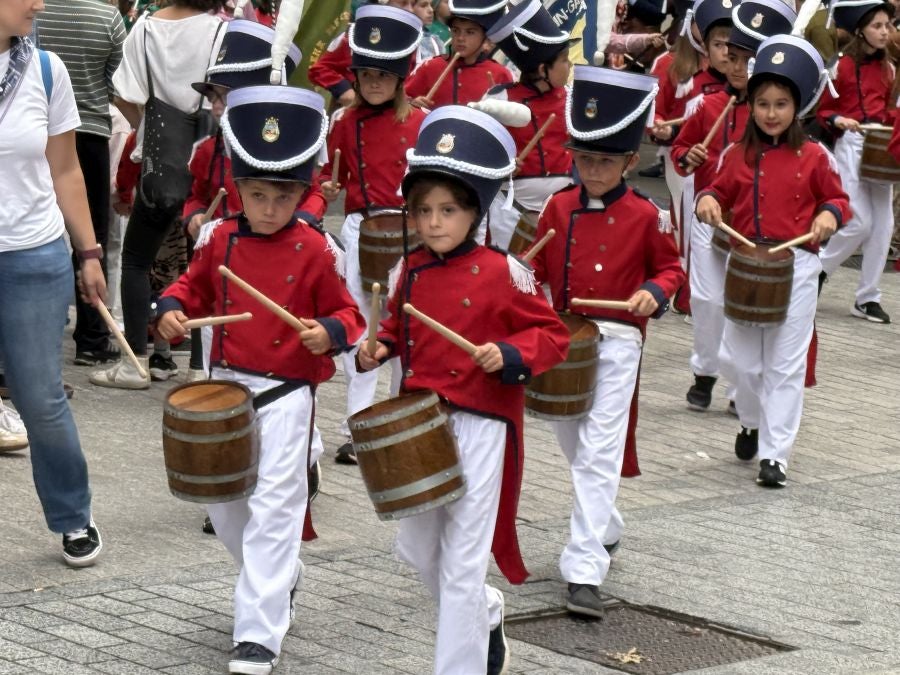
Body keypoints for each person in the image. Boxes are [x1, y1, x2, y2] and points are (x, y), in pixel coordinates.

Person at [156, 85, 366, 675]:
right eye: (257, 195)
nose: (270, 207)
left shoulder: (317, 249)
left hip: (287, 394)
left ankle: (258, 632)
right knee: (224, 507)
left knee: (276, 507)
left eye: (282, 196)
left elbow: (348, 314)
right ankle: (278, 577)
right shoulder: (219, 238)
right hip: (224, 390)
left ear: (301, 193)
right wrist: (169, 308)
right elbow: (188, 288)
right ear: (237, 192)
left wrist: (328, 331)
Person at [358, 104, 569, 675]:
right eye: (423, 210)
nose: (433, 222)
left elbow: (552, 335)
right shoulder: (409, 272)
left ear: (474, 211)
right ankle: (485, 611)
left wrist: (511, 354)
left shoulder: (505, 273)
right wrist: (377, 347)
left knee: (461, 565)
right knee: (418, 550)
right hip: (421, 427)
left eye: (447, 210)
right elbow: (396, 333)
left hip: (482, 425)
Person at [529, 66, 684, 619]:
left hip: (618, 339)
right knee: (573, 441)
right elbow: (534, 270)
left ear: (628, 162)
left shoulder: (648, 214)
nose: (592, 170)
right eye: (584, 158)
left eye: (604, 160)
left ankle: (584, 568)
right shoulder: (556, 207)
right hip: (563, 337)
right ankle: (607, 522)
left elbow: (670, 270)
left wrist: (652, 293)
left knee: (598, 449)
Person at [697, 35, 850, 487]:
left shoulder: (816, 155)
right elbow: (715, 191)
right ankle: (750, 417)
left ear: (797, 106)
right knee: (740, 361)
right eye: (762, 102)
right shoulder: (735, 154)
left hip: (797, 264)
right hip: (743, 262)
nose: (770, 112)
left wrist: (828, 213)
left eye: (781, 103)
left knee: (785, 364)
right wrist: (707, 201)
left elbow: (839, 200)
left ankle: (775, 455)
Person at [0, 0, 107, 567]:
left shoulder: (46, 69)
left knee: (40, 398)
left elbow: (66, 169)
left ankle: (73, 516)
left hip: (33, 256)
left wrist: (88, 251)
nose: (40, 4)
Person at [91, 0, 226, 389]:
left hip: (157, 166)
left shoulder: (146, 28)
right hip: (205, 166)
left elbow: (123, 94)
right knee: (206, 261)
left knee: (136, 260)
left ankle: (136, 362)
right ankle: (200, 366)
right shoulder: (221, 31)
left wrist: (150, 127)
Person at [671, 0, 796, 412]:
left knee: (743, 304)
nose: (739, 67)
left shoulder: (772, 115)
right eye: (734, 57)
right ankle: (704, 370)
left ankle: (737, 388)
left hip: (752, 225)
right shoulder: (708, 105)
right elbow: (682, 147)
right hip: (711, 217)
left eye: (749, 60)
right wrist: (686, 158)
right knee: (707, 301)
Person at [319, 5, 427, 465]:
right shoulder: (343, 124)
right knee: (363, 331)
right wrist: (326, 189)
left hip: (411, 234)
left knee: (406, 332)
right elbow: (327, 177)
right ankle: (358, 426)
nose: (374, 82)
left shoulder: (423, 124)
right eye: (365, 73)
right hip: (361, 230)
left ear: (401, 77)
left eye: (384, 74)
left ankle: (403, 422)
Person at [37, 0, 127, 367]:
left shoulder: (35, 12)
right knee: (91, 236)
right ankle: (92, 336)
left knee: (38, 233)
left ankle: (40, 332)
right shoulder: (108, 18)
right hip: (89, 132)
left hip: (35, 131)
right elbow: (118, 83)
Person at [817, 0, 895, 324]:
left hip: (881, 146)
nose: (885, 32)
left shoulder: (889, 68)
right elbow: (820, 110)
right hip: (850, 144)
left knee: (884, 226)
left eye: (887, 26)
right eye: (877, 26)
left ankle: (867, 297)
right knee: (858, 220)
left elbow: (890, 109)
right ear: (861, 30)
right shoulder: (841, 66)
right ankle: (817, 269)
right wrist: (838, 119)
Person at [482, 0, 576, 249]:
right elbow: (478, 155)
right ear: (543, 68)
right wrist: (501, 167)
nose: (569, 66)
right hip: (509, 211)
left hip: (561, 210)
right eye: (564, 60)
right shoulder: (499, 98)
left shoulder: (572, 98)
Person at [307, 0, 416, 108]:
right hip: (354, 114)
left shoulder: (410, 43)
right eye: (403, 3)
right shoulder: (354, 37)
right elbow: (318, 69)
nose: (410, 9)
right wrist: (344, 90)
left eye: (413, 4)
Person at [405, 0, 513, 109]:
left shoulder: (500, 74)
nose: (460, 38)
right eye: (456, 30)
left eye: (470, 32)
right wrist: (412, 104)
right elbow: (402, 101)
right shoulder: (430, 67)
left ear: (485, 37)